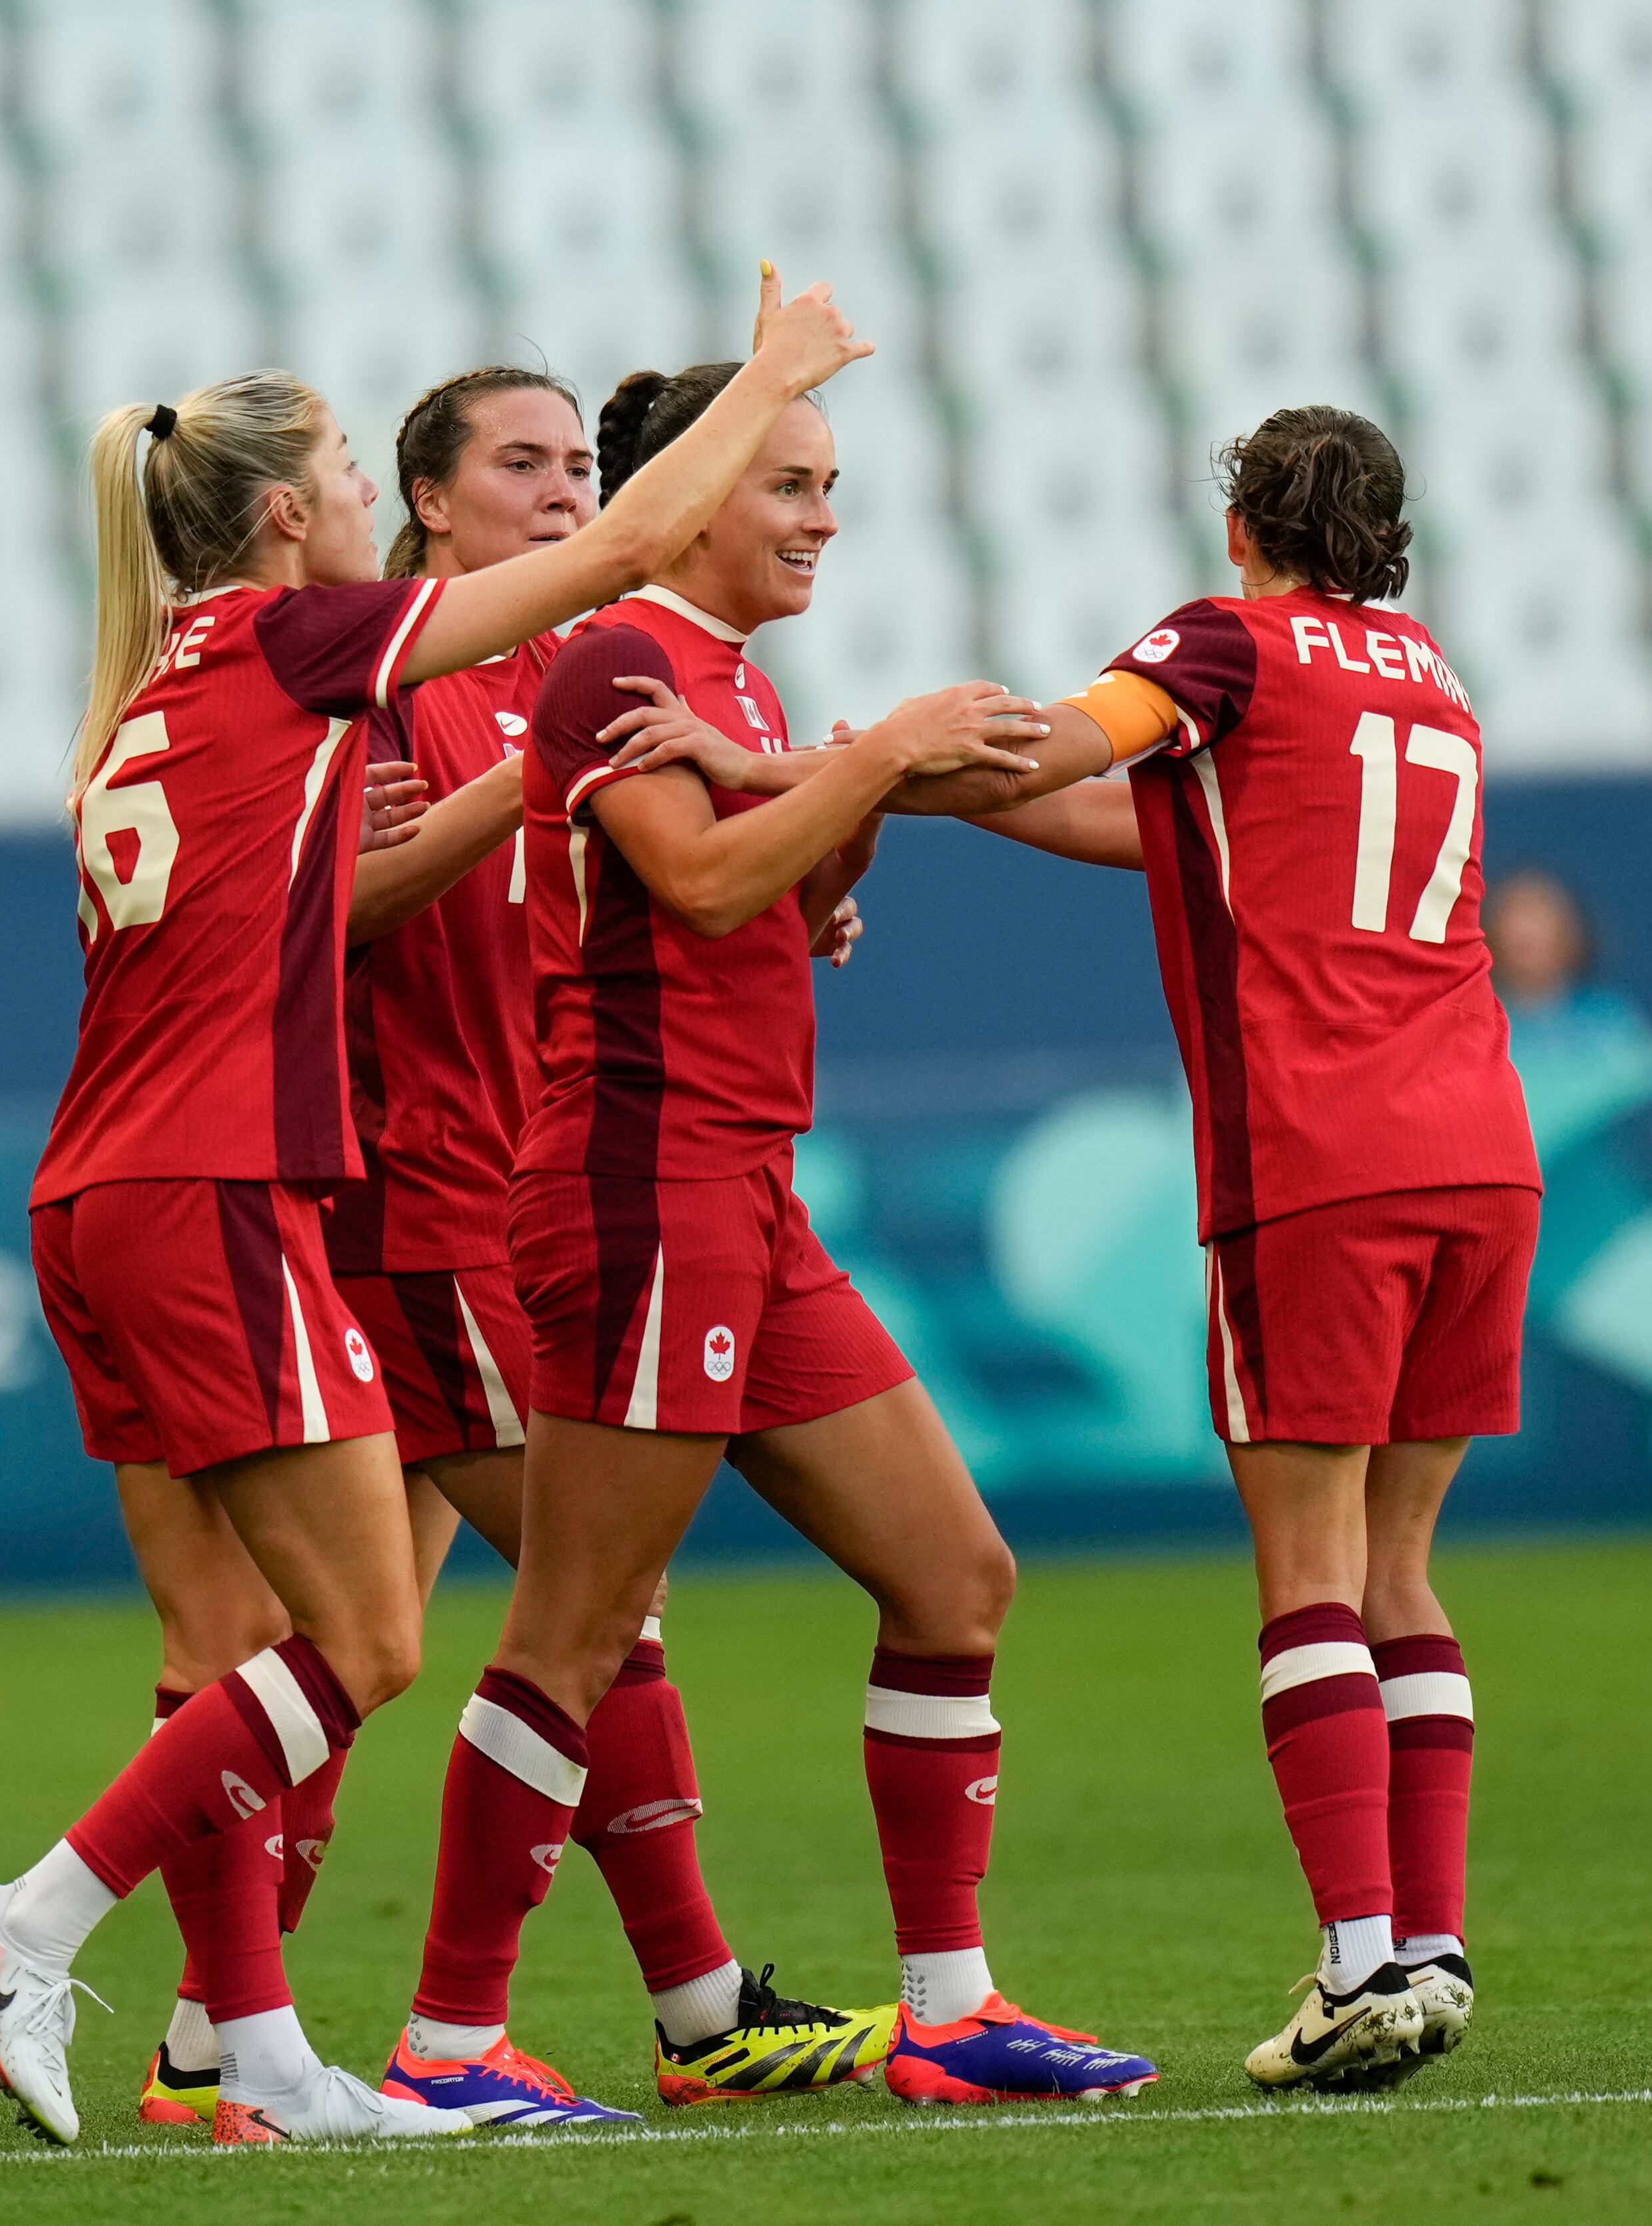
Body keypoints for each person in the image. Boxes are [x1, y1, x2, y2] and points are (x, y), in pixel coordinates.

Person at [0, 267, 891, 2150]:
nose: (370, 500)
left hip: (109, 1189)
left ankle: (255, 2050)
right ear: (293, 514)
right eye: (365, 475)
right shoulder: (310, 650)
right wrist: (778, 369)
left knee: (255, 1648)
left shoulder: (149, 694)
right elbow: (626, 540)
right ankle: (34, 1921)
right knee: (385, 1636)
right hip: (238, 1189)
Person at [383, 359, 1163, 2120]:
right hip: (641, 1184)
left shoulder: (726, 677)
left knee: (956, 1578)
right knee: (577, 1629)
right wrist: (870, 759)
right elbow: (712, 885)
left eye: (829, 484)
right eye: (793, 482)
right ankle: (444, 2041)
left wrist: (846, 804)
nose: (824, 516)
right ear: (708, 491)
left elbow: (783, 906)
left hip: (746, 1192)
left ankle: (948, 2010)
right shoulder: (612, 657)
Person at [931, 404, 1540, 2090]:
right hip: (1480, 1148)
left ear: (1242, 530)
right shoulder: (1424, 676)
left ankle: (1353, 1957)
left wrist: (851, 764)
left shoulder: (1225, 644)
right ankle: (1422, 1948)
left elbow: (1063, 745)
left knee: (1306, 1571)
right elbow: (1163, 831)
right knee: (1399, 1566)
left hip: (1319, 1154)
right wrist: (933, 806)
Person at [1485, 864, 1651, 1063]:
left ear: (1568, 934)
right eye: (1514, 917)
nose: (1527, 931)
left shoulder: (1607, 1016)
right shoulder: (1482, 1025)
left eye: (1539, 916)